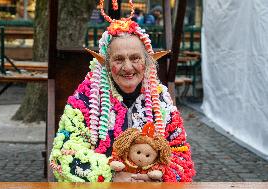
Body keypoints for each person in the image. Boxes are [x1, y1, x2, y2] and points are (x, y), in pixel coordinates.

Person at [49, 0, 195, 182]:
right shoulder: (85, 100)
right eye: (118, 59)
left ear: (147, 62)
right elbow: (62, 157)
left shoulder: (161, 101)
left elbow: (181, 156)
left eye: (135, 58)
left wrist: (157, 176)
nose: (128, 67)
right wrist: (113, 175)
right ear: (107, 65)